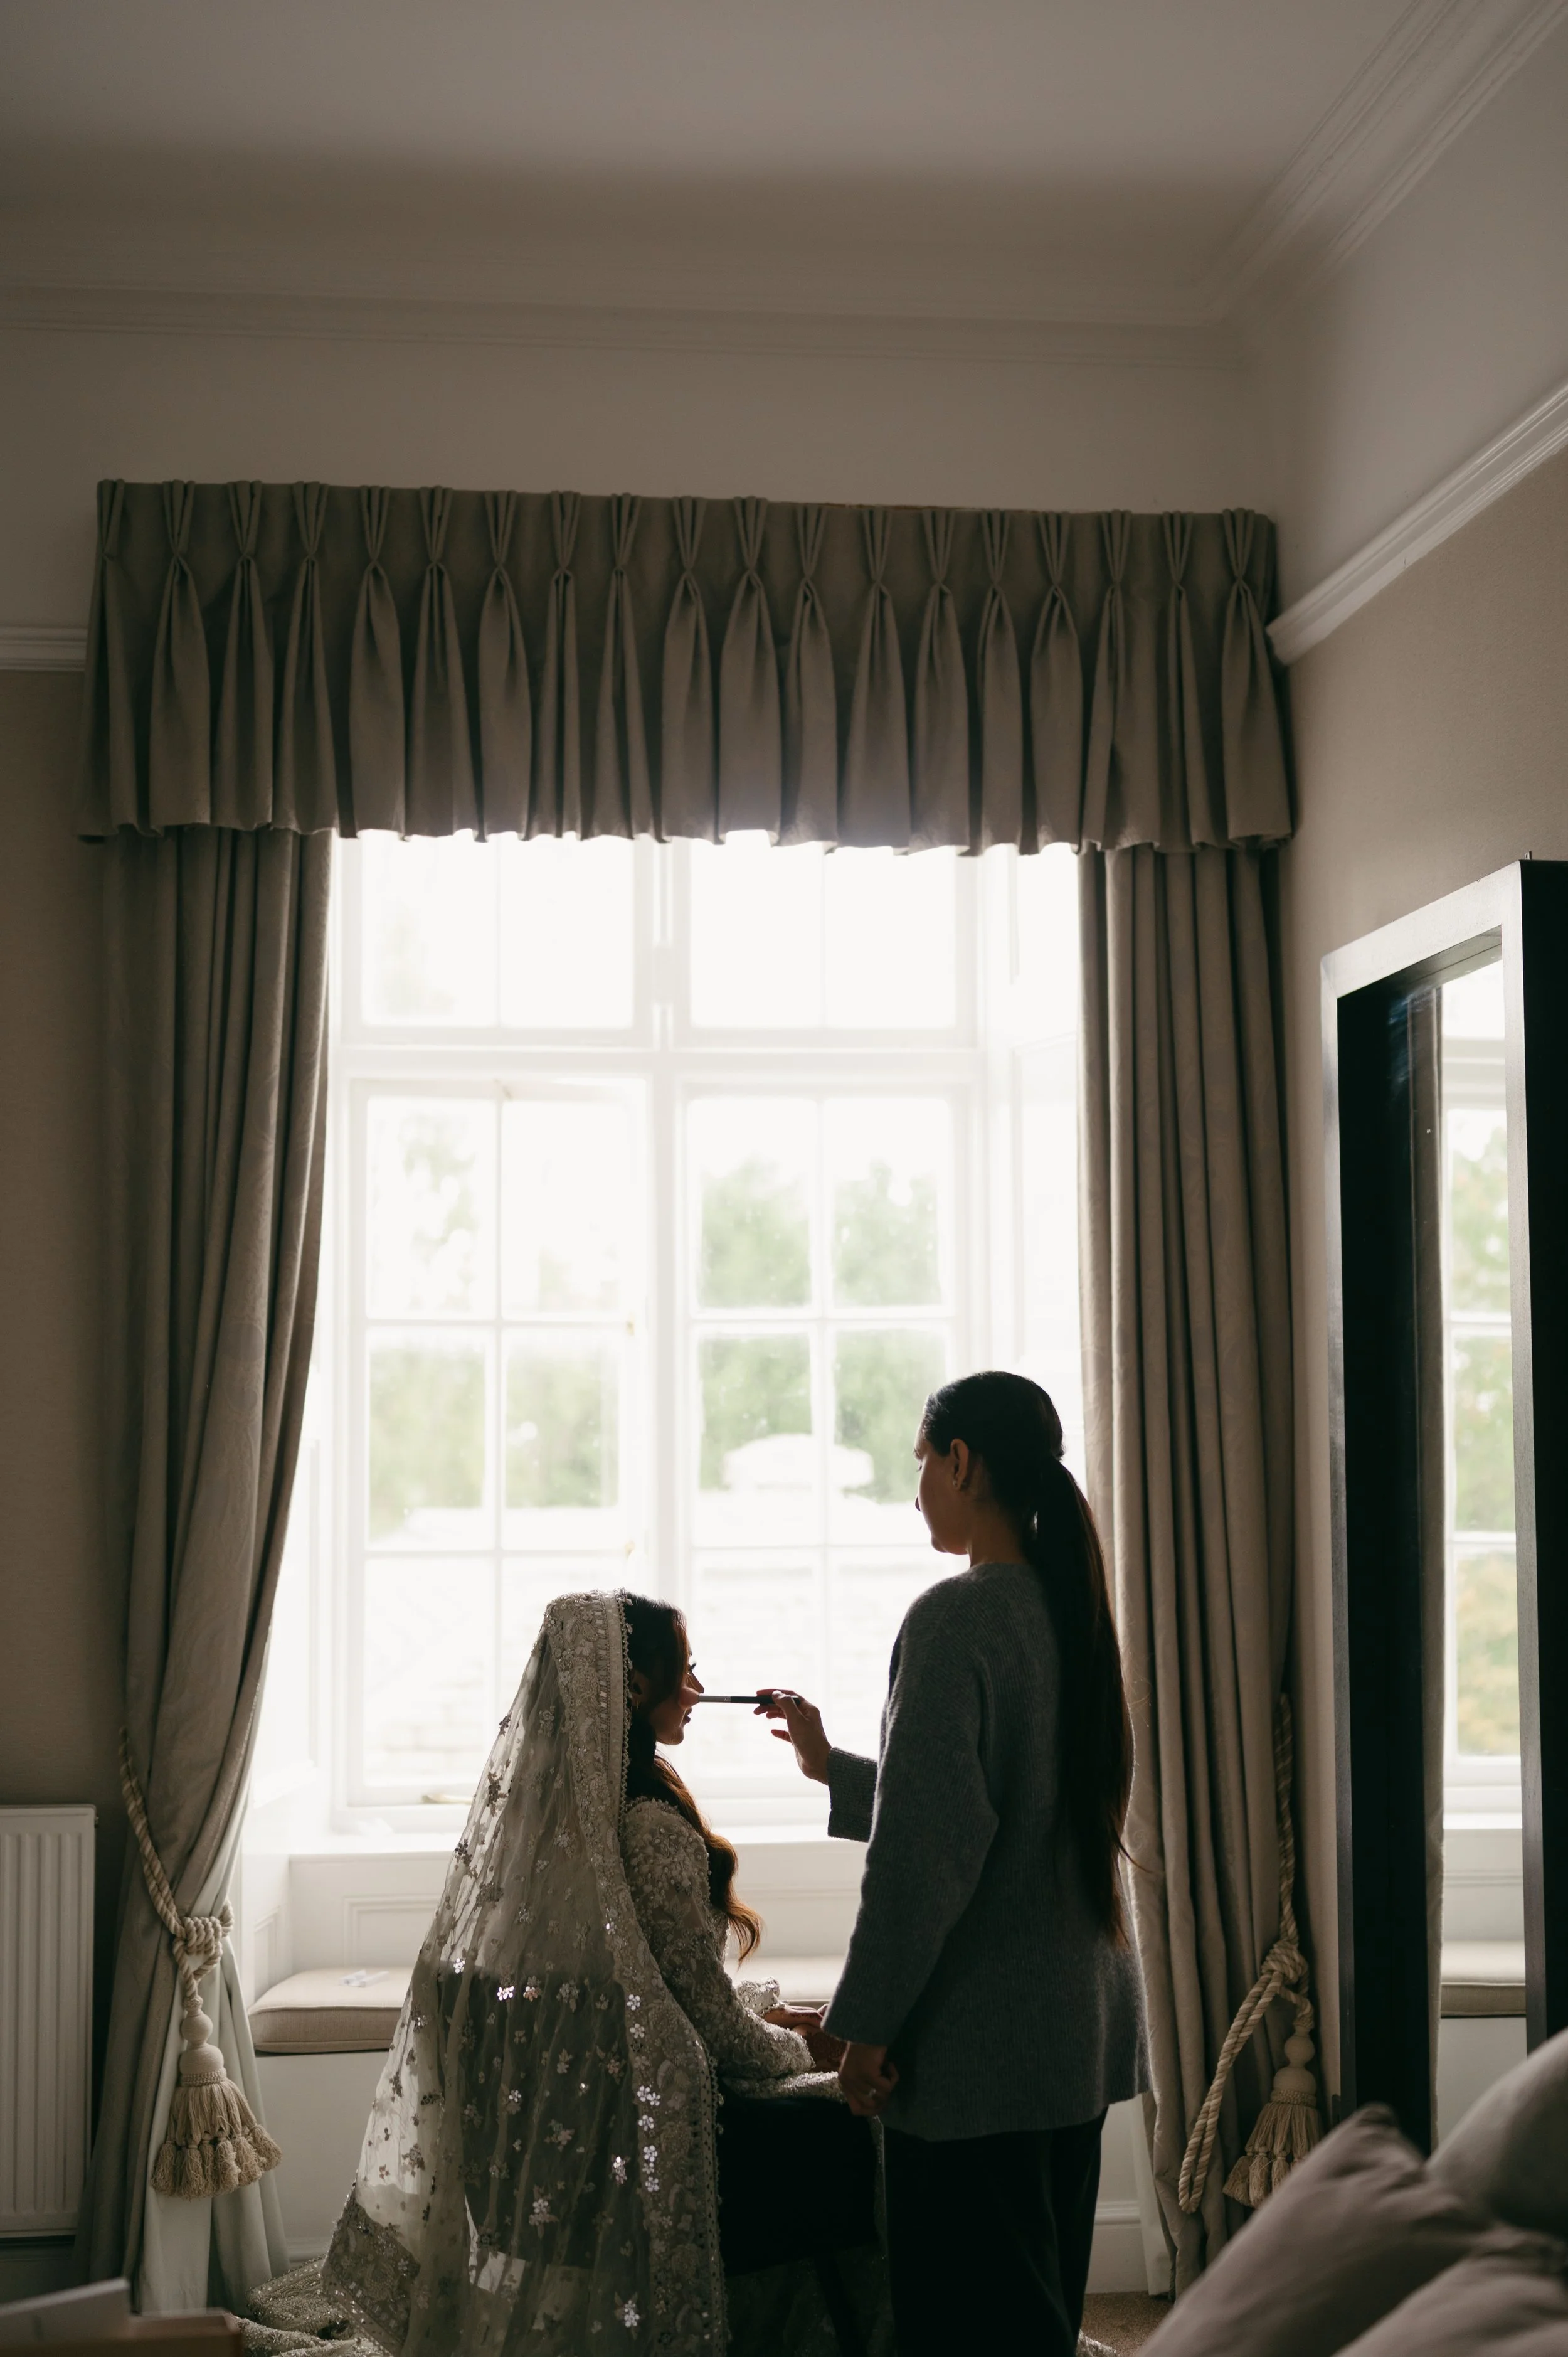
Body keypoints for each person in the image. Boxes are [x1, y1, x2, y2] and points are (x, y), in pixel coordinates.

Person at [321, 1588, 883, 2357]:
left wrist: (768, 2017)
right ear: (634, 1687)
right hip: (683, 2128)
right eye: (684, 1671)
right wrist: (808, 2050)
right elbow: (711, 2029)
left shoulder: (549, 1831)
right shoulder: (651, 1827)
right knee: (877, 2110)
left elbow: (650, 1995)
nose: (695, 1689)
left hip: (594, 2135)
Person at [761, 1371, 1148, 2357]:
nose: (918, 1489)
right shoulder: (1076, 1610)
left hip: (982, 2053)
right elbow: (1008, 1805)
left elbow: (925, 1858)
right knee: (1040, 2322)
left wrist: (862, 2029)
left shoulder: (954, 1618)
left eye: (922, 1464)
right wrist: (832, 1768)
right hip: (1078, 2029)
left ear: (962, 1461)